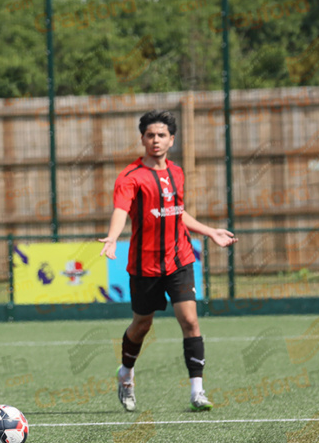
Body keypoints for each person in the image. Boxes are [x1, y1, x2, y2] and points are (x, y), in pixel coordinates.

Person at [99, 110, 237, 413]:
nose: (155, 140)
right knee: (142, 325)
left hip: (180, 258)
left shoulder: (177, 172)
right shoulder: (130, 178)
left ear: (171, 140)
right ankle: (126, 374)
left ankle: (197, 392)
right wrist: (111, 237)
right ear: (142, 139)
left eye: (161, 135)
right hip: (145, 265)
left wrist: (210, 231)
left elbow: (178, 212)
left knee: (190, 321)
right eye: (150, 135)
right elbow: (121, 210)